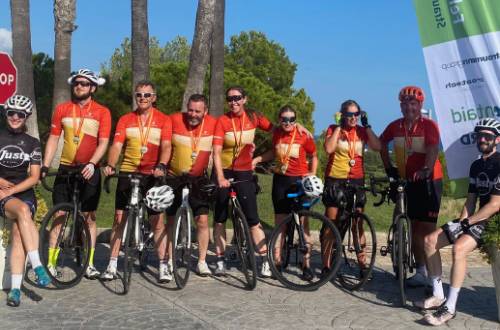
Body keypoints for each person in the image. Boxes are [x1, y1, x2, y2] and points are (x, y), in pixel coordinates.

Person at [415, 118, 500, 325]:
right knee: (430, 241)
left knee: (459, 248)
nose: (482, 139)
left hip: (493, 220)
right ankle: (438, 295)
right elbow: (471, 202)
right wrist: (460, 222)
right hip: (476, 218)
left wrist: (466, 225)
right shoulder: (476, 165)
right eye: (479, 135)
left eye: (487, 136)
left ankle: (450, 308)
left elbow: (494, 205)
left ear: (497, 140)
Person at [42, 69, 111, 279]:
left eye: (84, 83)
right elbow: (53, 139)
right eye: (76, 83)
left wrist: (93, 163)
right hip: (66, 168)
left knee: (88, 217)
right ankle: (51, 263)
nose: (79, 86)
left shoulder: (102, 111)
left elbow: (104, 142)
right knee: (60, 215)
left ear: (93, 88)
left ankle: (89, 264)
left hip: (89, 169)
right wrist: (45, 165)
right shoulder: (62, 109)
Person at [101, 80, 172, 283]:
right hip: (128, 171)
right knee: (118, 218)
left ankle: (163, 266)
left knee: (157, 221)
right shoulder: (125, 119)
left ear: (154, 98)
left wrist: (162, 165)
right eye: (139, 95)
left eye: (147, 95)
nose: (142, 98)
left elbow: (166, 146)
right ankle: (112, 264)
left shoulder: (163, 120)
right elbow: (116, 145)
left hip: (152, 173)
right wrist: (111, 164)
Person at [379, 86, 443, 287]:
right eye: (405, 103)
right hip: (407, 179)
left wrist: (426, 168)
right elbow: (381, 144)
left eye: (413, 103)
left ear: (420, 105)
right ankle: (421, 271)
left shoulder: (429, 125)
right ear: (400, 106)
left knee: (428, 228)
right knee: (414, 227)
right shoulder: (395, 126)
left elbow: (432, 149)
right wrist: (389, 168)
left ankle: (435, 277)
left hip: (429, 180)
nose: (409, 107)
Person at [252, 105, 318, 279]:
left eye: (291, 119)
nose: (287, 122)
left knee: (303, 224)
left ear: (295, 120)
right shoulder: (277, 133)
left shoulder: (304, 135)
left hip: (299, 182)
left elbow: (314, 155)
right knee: (280, 224)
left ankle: (306, 265)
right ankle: (277, 261)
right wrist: (258, 158)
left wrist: (312, 172)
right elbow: (274, 152)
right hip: (280, 181)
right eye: (284, 119)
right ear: (279, 119)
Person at [0, 95, 51, 307]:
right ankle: (38, 265)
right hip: (3, 193)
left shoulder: (33, 143)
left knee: (20, 236)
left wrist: (12, 188)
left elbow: (34, 176)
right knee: (22, 210)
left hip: (22, 192)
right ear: (6, 114)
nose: (14, 117)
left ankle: (15, 291)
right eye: (11, 112)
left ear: (26, 117)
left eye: (19, 114)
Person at [321, 100, 380, 275]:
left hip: (356, 182)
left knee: (358, 224)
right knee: (331, 223)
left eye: (356, 114)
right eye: (349, 114)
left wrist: (367, 125)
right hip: (335, 180)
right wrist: (339, 127)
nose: (353, 118)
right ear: (342, 115)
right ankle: (326, 264)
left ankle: (362, 264)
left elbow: (378, 146)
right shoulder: (334, 128)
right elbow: (329, 149)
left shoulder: (362, 132)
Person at [165, 94, 217, 276]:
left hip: (198, 179)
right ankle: (169, 259)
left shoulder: (213, 123)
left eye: (197, 111)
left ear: (205, 112)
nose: (193, 114)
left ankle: (201, 261)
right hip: (174, 177)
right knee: (171, 221)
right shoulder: (173, 119)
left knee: (202, 221)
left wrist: (295, 125)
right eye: (190, 110)